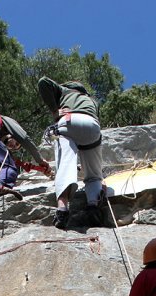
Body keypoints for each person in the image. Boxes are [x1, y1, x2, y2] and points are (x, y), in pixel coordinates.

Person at [37, 76, 105, 229]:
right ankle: (93, 206)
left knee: (65, 166)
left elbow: (43, 82)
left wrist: (55, 112)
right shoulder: (92, 101)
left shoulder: (64, 90)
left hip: (68, 121)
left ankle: (62, 209)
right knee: (94, 175)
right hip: (92, 126)